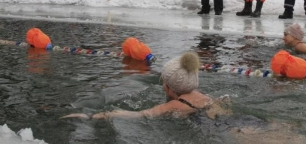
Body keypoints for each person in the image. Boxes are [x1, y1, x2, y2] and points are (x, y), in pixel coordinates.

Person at [61, 52, 230, 120]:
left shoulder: (173, 104)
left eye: (164, 82)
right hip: (229, 122)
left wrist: (95, 116)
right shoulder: (204, 97)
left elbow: (139, 115)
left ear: (170, 88)